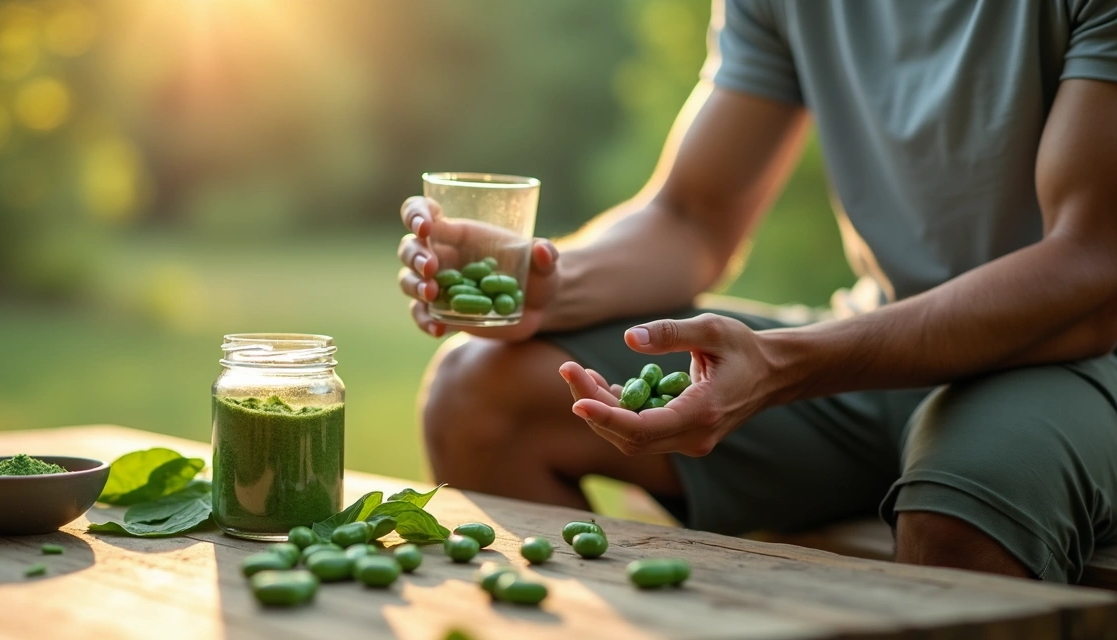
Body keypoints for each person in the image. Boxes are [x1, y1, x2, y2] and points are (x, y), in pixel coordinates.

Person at [395, 0, 1117, 583]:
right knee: (480, 397)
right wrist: (545, 282)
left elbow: (1089, 266)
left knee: (962, 513)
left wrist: (783, 366)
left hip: (1075, 357)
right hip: (885, 341)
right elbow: (692, 216)